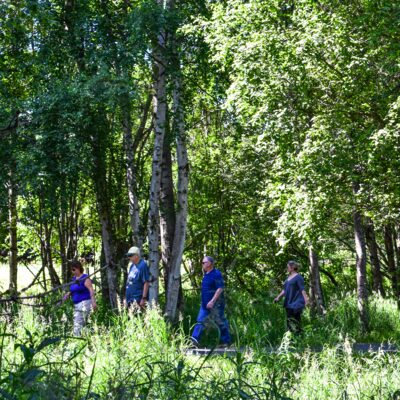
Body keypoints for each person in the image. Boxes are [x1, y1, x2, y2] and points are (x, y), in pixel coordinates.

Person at [191, 256, 231, 348]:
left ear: (209, 264)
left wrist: (212, 301)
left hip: (216, 304)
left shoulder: (216, 274)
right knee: (200, 321)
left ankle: (226, 342)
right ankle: (194, 342)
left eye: (203, 262)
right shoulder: (206, 274)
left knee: (220, 321)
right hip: (205, 305)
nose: (202, 264)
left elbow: (220, 288)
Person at [62, 260, 97, 336]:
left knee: (78, 324)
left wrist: (93, 302)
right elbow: (74, 290)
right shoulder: (74, 279)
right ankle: (86, 338)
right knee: (81, 323)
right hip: (77, 304)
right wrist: (68, 294)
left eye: (74, 269)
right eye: (71, 270)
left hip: (85, 303)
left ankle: (77, 339)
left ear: (78, 268)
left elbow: (91, 290)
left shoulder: (85, 278)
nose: (73, 271)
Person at [274, 260, 309, 334]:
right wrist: (278, 297)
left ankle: (299, 337)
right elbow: (285, 290)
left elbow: (302, 290)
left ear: (292, 267)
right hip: (289, 303)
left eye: (288, 267)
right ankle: (292, 339)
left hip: (296, 303)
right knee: (290, 322)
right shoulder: (288, 279)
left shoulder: (298, 277)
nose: (287, 268)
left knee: (296, 321)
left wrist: (306, 300)